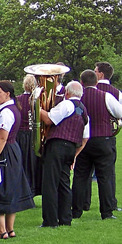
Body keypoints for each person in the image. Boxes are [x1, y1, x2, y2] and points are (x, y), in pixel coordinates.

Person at [72, 70, 122, 220]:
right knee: (105, 177)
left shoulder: (78, 98)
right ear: (96, 82)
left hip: (82, 141)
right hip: (103, 140)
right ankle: (107, 212)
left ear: (82, 83)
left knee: (80, 176)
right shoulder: (106, 96)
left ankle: (76, 210)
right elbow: (121, 114)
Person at [39, 81, 89, 227]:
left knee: (50, 184)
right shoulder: (84, 110)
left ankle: (50, 220)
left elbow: (49, 119)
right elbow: (85, 138)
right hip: (71, 148)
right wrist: (75, 155)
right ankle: (65, 219)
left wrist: (37, 108)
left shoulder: (66, 104)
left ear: (67, 92)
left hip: (57, 146)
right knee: (64, 184)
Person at [0, 81, 35, 238]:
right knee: (10, 187)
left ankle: (1, 231)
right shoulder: (12, 108)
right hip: (12, 150)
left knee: (0, 187)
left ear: (7, 94)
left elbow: (2, 138)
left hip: (4, 152)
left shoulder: (6, 112)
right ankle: (10, 229)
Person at [16, 74, 41, 197]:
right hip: (33, 135)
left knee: (22, 163)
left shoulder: (18, 100)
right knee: (33, 163)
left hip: (20, 135)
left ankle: (23, 190)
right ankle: (32, 189)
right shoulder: (37, 100)